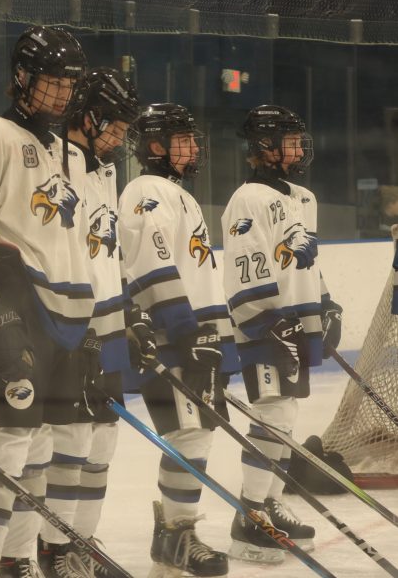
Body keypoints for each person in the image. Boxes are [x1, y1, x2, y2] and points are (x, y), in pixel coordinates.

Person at [0, 25, 93, 578]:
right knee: (6, 447)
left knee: (37, 448)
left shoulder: (60, 151)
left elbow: (67, 249)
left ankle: (16, 562)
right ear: (20, 78)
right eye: (50, 82)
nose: (60, 94)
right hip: (10, 312)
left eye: (68, 85)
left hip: (60, 322)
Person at [37, 67, 156, 578]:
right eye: (114, 124)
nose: (121, 136)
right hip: (70, 329)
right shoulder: (54, 164)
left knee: (102, 441)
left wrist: (129, 315)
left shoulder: (103, 171)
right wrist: (71, 328)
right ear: (86, 114)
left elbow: (106, 255)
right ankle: (53, 546)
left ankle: (81, 542)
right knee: (70, 442)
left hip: (106, 328)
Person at [118, 103, 240, 578]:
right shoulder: (146, 190)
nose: (194, 147)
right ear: (154, 146)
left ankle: (173, 540)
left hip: (196, 337)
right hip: (176, 339)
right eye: (183, 139)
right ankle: (177, 536)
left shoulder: (172, 193)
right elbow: (152, 264)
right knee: (188, 435)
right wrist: (188, 334)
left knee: (197, 435)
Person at [221, 104, 343, 564]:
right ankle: (249, 516)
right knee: (271, 411)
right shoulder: (247, 199)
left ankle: (268, 504)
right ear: (264, 147)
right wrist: (266, 323)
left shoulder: (303, 197)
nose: (299, 146)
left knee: (286, 416)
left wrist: (325, 303)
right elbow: (242, 268)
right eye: (289, 139)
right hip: (265, 325)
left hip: (294, 323)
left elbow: (308, 265)